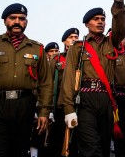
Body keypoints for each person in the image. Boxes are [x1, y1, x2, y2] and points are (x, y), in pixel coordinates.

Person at [59, 0, 125, 157]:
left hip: (107, 98)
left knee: (104, 146)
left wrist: (119, 4)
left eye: (103, 19)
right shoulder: (78, 48)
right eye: (95, 19)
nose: (100, 22)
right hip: (85, 99)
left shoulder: (112, 42)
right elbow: (68, 78)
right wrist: (68, 108)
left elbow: (120, 27)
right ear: (86, 24)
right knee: (90, 146)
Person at [0, 3, 53, 156]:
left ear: (26, 22)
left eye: (21, 18)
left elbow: (46, 83)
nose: (17, 21)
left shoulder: (37, 48)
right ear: (5, 21)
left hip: (25, 105)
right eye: (12, 18)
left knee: (20, 150)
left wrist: (44, 112)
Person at [47, 28, 79, 157]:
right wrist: (48, 109)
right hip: (60, 105)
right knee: (58, 140)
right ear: (64, 41)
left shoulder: (82, 57)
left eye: (76, 37)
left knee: (75, 142)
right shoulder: (58, 58)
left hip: (78, 103)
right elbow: (48, 84)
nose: (74, 39)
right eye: (71, 37)